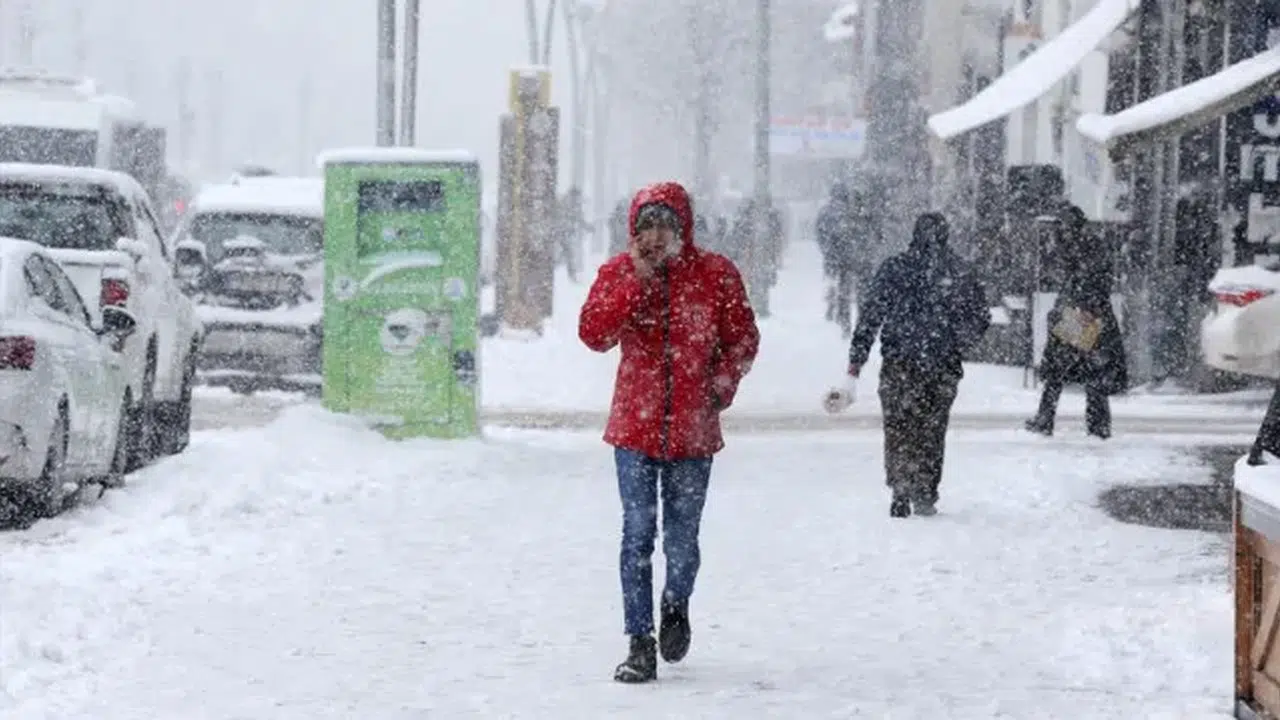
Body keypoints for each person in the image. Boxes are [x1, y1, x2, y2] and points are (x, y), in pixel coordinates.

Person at [579, 181, 760, 684]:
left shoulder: (715, 275)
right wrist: (636, 282)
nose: (656, 236)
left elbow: (743, 339)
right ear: (633, 231)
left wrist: (720, 385)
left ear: (684, 228)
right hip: (633, 429)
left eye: (666, 225)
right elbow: (593, 334)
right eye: (647, 226)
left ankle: (676, 603)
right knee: (636, 534)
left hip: (693, 432)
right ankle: (639, 642)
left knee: (681, 541)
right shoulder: (619, 273)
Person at [838, 212, 990, 518]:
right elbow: (980, 317)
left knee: (899, 425)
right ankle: (925, 489)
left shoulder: (895, 268)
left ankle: (900, 483)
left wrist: (857, 360)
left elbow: (871, 315)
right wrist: (957, 341)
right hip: (942, 363)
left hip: (900, 361)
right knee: (932, 428)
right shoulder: (959, 271)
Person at [1024, 204, 1127, 439]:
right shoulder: (1085, 246)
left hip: (1082, 315)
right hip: (1083, 312)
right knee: (1085, 370)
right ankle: (1095, 424)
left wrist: (1080, 307)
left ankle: (1051, 419)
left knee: (1065, 369)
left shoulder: (1083, 247)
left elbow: (1087, 280)